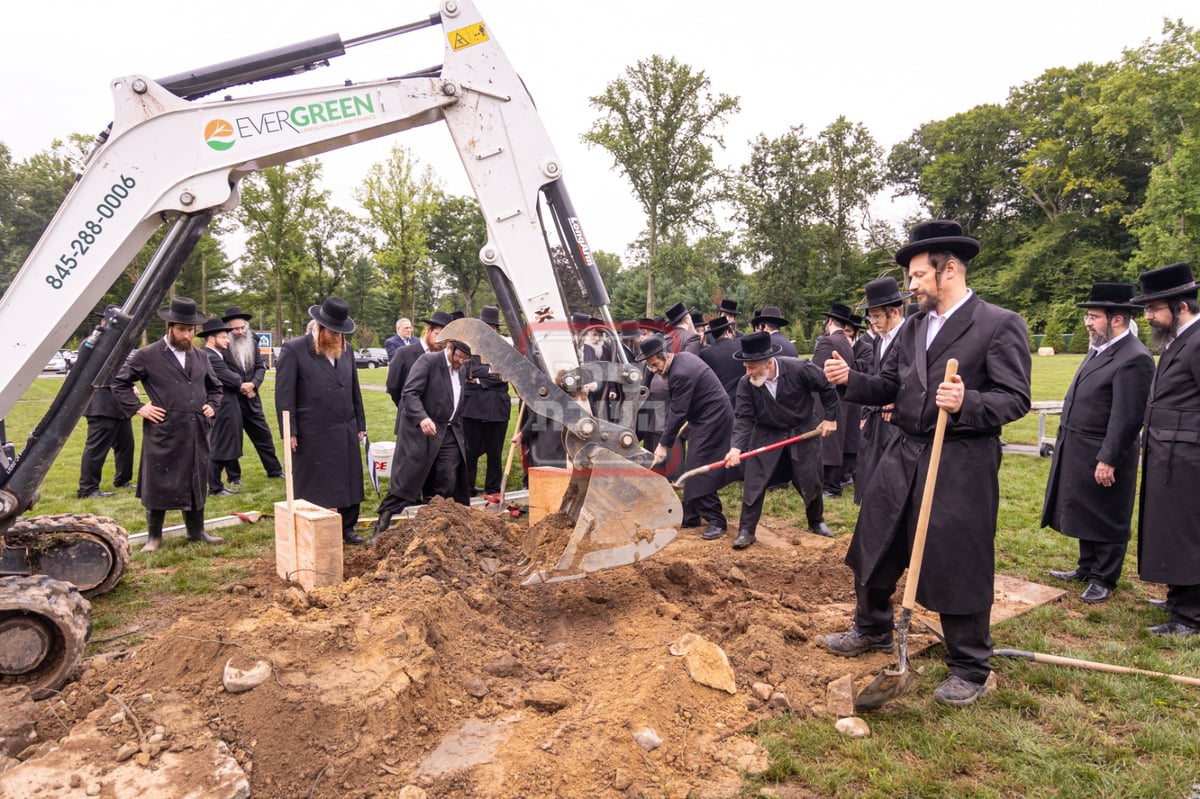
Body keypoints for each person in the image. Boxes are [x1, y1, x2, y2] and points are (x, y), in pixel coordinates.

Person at [822, 219, 1031, 707]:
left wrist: (968, 402)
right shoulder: (914, 326)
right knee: (875, 538)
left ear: (949, 269)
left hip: (960, 461)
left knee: (957, 557)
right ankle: (871, 627)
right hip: (904, 451)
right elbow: (890, 386)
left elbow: (1015, 398)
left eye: (918, 275)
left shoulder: (998, 324)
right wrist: (849, 379)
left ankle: (969, 665)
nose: (911, 286)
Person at [1041, 284, 1153, 604]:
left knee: (1106, 513)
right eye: (1087, 317)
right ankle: (1087, 567)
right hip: (1079, 446)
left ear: (1117, 319)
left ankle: (1105, 577)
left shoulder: (1135, 358)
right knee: (1085, 510)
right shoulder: (1099, 349)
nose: (1087, 323)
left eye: (1093, 316)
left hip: (1105, 450)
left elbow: (1128, 416)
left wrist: (1110, 457)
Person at [112, 297, 223, 554]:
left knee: (196, 478)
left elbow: (215, 388)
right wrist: (139, 408)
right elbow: (119, 383)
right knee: (158, 480)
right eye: (182, 329)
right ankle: (154, 537)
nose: (187, 335)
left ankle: (196, 531)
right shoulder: (147, 355)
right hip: (164, 429)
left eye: (190, 330)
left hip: (196, 428)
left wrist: (212, 406)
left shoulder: (201, 356)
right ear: (170, 327)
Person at [722, 331, 840, 549]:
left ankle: (816, 521)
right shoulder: (746, 384)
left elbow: (826, 386)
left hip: (802, 431)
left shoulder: (799, 368)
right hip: (767, 432)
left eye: (752, 367)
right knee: (754, 480)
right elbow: (744, 418)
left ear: (768, 363)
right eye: (746, 367)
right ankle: (746, 530)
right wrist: (736, 447)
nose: (748, 372)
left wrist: (830, 418)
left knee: (810, 478)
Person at [1132, 262, 1200, 636]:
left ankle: (1191, 615)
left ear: (1181, 307)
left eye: (1154, 309)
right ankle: (1178, 596)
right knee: (1171, 529)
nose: (1148, 317)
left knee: (1187, 531)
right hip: (1168, 453)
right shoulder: (1180, 340)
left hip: (1189, 457)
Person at [274, 297, 368, 544]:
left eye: (341, 333)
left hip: (345, 426)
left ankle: (347, 527)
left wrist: (360, 422)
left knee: (349, 478)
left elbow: (354, 389)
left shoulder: (346, 351)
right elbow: (284, 394)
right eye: (333, 332)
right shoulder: (294, 349)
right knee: (316, 480)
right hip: (312, 430)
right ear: (320, 327)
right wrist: (290, 430)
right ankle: (313, 527)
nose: (337, 337)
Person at [372, 338, 473, 543]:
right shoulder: (428, 361)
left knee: (447, 477)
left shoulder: (461, 370)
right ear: (449, 348)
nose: (461, 362)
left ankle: (432, 526)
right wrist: (422, 418)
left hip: (450, 432)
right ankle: (380, 528)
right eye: (459, 357)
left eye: (465, 359)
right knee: (407, 480)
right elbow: (409, 394)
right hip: (423, 431)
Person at [637, 334, 735, 540]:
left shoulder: (680, 373)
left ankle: (716, 520)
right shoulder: (682, 360)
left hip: (714, 419)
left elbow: (678, 412)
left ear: (665, 356)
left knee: (697, 468)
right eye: (650, 366)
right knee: (694, 465)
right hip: (703, 416)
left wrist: (664, 444)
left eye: (654, 364)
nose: (653, 370)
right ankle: (691, 515)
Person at [853, 276, 911, 504]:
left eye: (877, 316)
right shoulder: (877, 341)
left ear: (894, 312)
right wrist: (865, 413)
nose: (873, 322)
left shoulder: (910, 337)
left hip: (897, 423)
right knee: (870, 478)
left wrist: (897, 400)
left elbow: (916, 378)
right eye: (871, 316)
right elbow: (872, 377)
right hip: (875, 421)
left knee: (893, 484)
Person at [221, 306, 284, 483]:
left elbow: (260, 367)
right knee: (232, 439)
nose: (240, 331)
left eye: (243, 328)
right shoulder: (221, 347)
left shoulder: (253, 342)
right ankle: (234, 477)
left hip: (252, 399)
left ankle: (275, 470)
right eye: (235, 328)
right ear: (228, 329)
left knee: (264, 436)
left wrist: (254, 384)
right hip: (232, 400)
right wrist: (240, 386)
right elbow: (221, 371)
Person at [462, 306, 512, 499]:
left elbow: (505, 375)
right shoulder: (470, 346)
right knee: (470, 451)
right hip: (473, 408)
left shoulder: (505, 350)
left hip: (498, 409)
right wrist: (489, 374)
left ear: (497, 330)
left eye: (493, 328)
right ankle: (467, 488)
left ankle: (493, 489)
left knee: (495, 452)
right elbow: (468, 369)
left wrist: (480, 378)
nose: (489, 331)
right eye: (486, 327)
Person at [812, 303, 858, 497]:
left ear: (829, 321)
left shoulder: (827, 342)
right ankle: (832, 483)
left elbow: (814, 372)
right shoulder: (846, 342)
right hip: (841, 397)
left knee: (828, 443)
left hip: (827, 398)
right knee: (835, 441)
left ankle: (830, 486)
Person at [199, 317, 246, 498]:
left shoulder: (216, 356)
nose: (228, 340)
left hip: (226, 404)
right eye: (224, 337)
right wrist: (236, 379)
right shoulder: (211, 357)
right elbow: (234, 379)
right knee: (219, 445)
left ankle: (220, 483)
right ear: (212, 338)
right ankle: (215, 486)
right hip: (222, 406)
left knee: (224, 443)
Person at [77, 383, 135, 499]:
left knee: (126, 446)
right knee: (96, 450)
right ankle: (88, 489)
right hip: (103, 407)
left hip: (120, 408)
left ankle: (123, 480)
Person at [386, 310, 451, 409]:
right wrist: (406, 407)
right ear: (428, 330)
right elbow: (393, 386)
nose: (441, 341)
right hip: (409, 417)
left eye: (445, 338)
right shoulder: (404, 353)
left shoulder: (444, 357)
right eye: (438, 335)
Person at [699, 316, 744, 403]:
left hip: (721, 402)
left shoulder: (705, 353)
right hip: (741, 398)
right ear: (728, 331)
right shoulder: (740, 344)